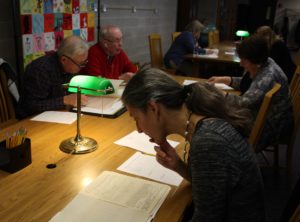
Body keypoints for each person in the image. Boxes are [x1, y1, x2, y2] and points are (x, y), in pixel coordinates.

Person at [122, 68, 266, 222]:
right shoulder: (201, 120)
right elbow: (210, 187)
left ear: (153, 108)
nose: (138, 129)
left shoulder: (208, 142)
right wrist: (177, 165)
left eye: (136, 118)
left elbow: (207, 217)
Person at [208, 35, 293, 151]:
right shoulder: (265, 62)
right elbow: (248, 84)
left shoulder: (267, 76)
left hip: (270, 127)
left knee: (219, 119)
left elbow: (245, 102)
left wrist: (220, 94)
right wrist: (226, 79)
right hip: (266, 117)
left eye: (244, 60)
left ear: (256, 61)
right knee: (221, 115)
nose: (241, 64)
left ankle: (229, 156)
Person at [18, 36, 89, 118]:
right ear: (64, 60)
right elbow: (31, 106)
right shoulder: (40, 70)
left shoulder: (69, 68)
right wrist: (65, 100)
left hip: (58, 115)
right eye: (80, 64)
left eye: (85, 62)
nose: (82, 67)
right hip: (31, 120)